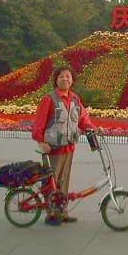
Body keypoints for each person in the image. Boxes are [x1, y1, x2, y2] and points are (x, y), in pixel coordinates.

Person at [31, 66, 101, 226]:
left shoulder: (75, 99)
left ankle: (62, 212)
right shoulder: (49, 99)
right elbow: (39, 123)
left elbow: (83, 119)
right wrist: (41, 141)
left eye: (68, 77)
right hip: (53, 148)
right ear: (56, 80)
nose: (65, 79)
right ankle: (51, 214)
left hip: (68, 147)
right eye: (61, 77)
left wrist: (93, 128)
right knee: (51, 181)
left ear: (72, 80)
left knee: (63, 181)